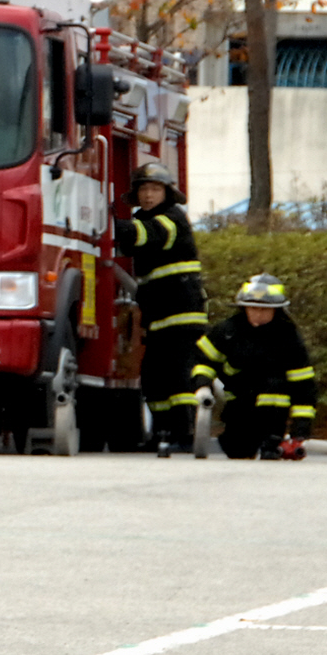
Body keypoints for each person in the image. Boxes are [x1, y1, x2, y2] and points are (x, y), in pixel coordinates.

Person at [117, 162, 207, 457]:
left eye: (154, 189)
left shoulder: (171, 218)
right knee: (153, 375)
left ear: (167, 193)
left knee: (179, 375)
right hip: (158, 315)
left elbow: (142, 236)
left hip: (181, 313)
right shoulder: (144, 217)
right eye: (143, 189)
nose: (147, 195)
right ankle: (162, 432)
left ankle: (185, 433)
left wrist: (104, 221)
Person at [192, 274, 317, 461]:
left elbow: (304, 387)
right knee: (236, 450)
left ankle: (271, 439)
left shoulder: (288, 338)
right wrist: (203, 385)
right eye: (252, 308)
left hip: (273, 406)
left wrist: (300, 430)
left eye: (264, 309)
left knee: (275, 385)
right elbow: (203, 361)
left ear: (277, 310)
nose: (257, 314)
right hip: (239, 401)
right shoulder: (227, 331)